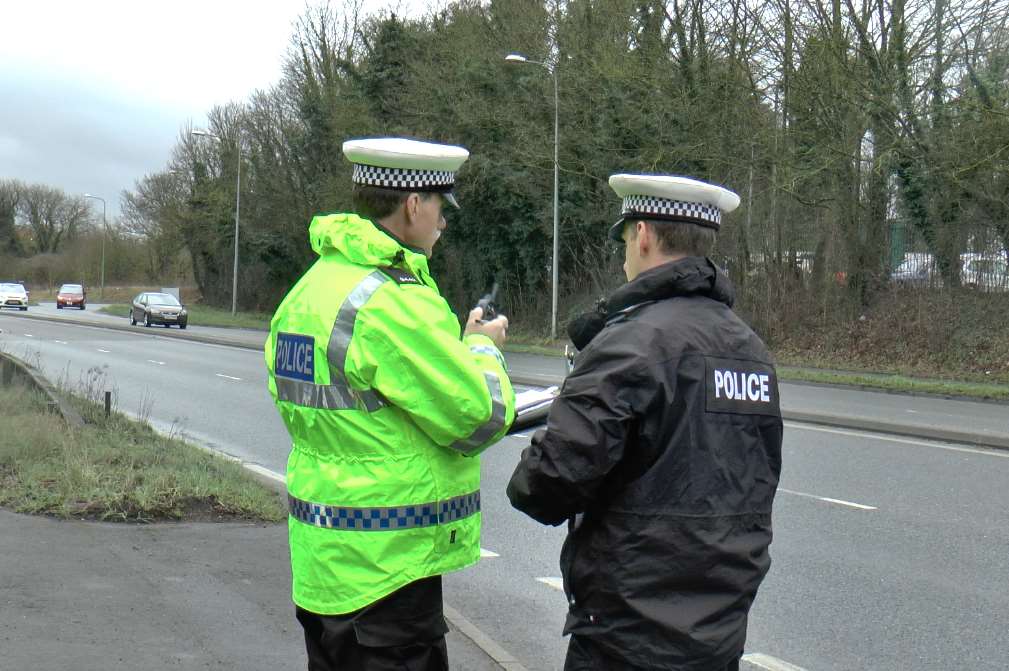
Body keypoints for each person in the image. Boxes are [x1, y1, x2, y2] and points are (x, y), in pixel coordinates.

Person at [507, 173, 783, 671]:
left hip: (627, 633)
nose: (623, 254)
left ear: (645, 236)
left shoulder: (628, 344)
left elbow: (544, 486)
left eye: (626, 238)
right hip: (717, 631)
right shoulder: (750, 350)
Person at [266, 137, 515, 671]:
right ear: (412, 205)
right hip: (388, 570)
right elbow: (479, 415)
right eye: (441, 206)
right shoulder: (391, 299)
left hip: (323, 564)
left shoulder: (311, 288)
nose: (444, 221)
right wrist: (482, 348)